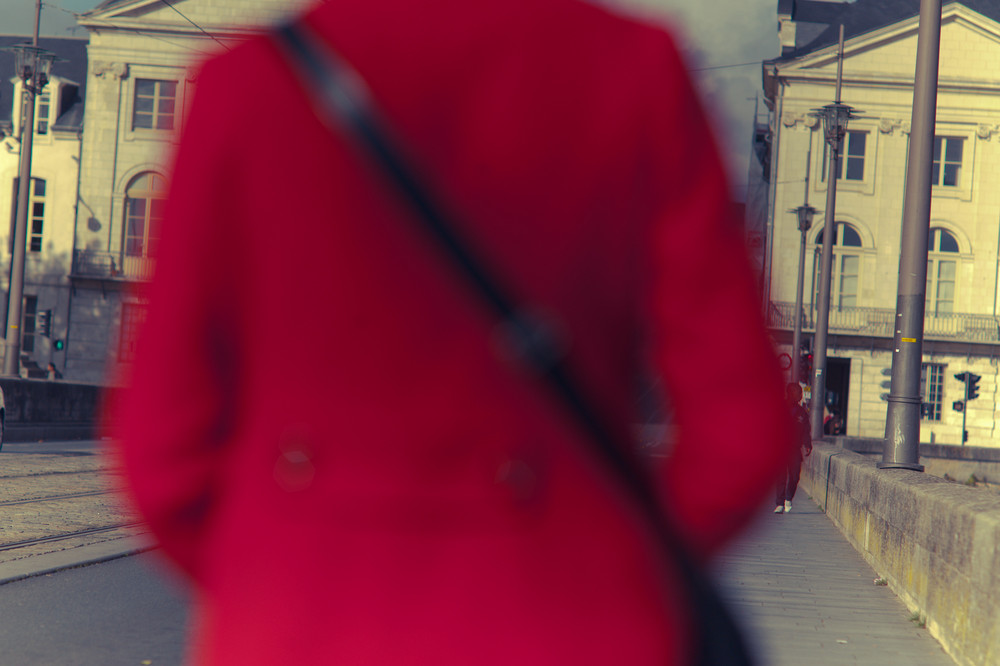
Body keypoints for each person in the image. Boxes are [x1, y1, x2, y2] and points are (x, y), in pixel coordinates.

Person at [110, 1, 795, 663]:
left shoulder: (247, 85)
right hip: (572, 633)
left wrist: (286, 575)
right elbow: (743, 435)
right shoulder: (636, 71)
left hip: (303, 633)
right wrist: (611, 571)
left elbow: (161, 458)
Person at [775, 383, 812, 514]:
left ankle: (788, 497)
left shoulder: (802, 413)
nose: (801, 395)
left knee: (795, 475)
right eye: (798, 392)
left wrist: (807, 444)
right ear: (790, 393)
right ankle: (779, 503)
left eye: (801, 392)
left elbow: (806, 431)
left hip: (794, 449)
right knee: (781, 476)